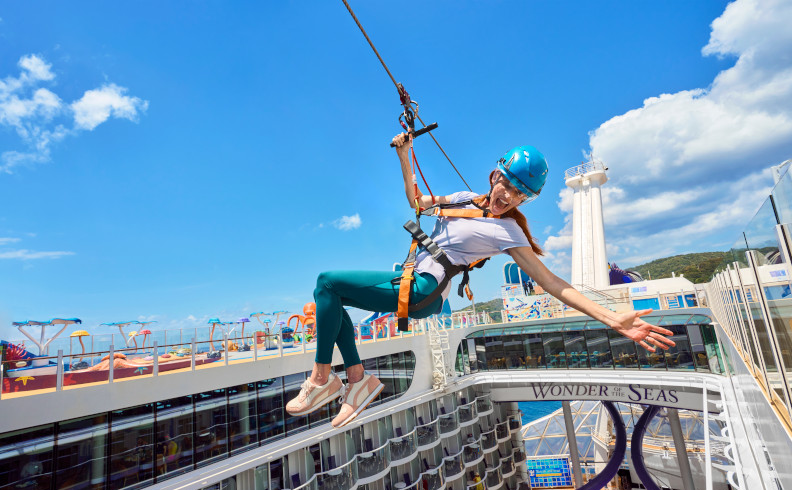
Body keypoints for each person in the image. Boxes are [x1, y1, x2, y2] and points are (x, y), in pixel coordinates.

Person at [285, 132, 676, 428]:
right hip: (420, 287)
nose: (508, 196)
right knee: (332, 305)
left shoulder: (510, 232)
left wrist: (610, 317)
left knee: (326, 282)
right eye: (506, 184)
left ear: (525, 200)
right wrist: (406, 156)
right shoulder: (462, 198)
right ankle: (356, 380)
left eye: (519, 194)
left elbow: (552, 281)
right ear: (495, 175)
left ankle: (324, 378)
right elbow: (417, 203)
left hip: (423, 288)